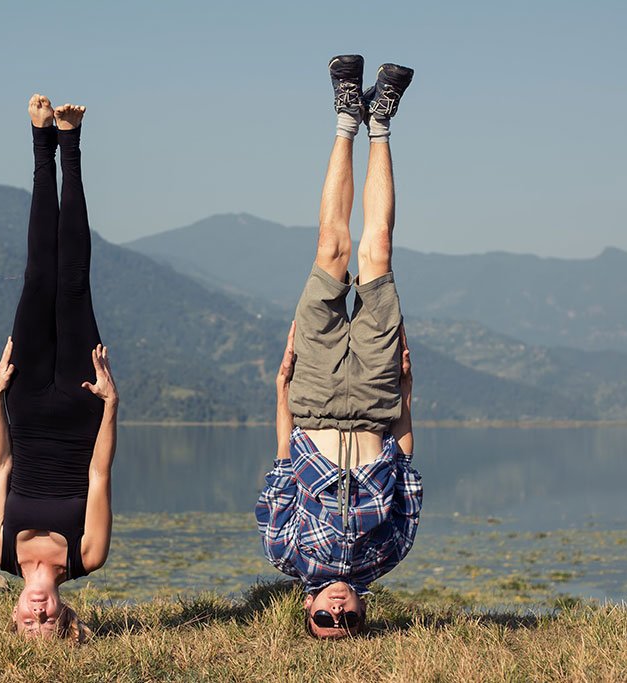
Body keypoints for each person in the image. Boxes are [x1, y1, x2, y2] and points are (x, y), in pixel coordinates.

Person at [255, 55, 423, 639]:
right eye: (345, 621)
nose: (336, 608)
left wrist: (281, 388)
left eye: (323, 620)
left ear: (306, 611)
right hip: (377, 399)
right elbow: (404, 464)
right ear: (361, 614)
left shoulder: (284, 552)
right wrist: (405, 390)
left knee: (332, 249)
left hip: (317, 395)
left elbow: (282, 459)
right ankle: (381, 120)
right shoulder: (389, 554)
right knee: (376, 251)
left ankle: (344, 116)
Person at [0, 95, 118, 641]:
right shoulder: (89, 555)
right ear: (65, 617)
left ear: (14, 616)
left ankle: (42, 142)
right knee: (73, 283)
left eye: (28, 620)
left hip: (28, 403)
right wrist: (112, 404)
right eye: (48, 620)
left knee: (39, 279)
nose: (37, 610)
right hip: (84, 405)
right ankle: (72, 143)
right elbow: (99, 474)